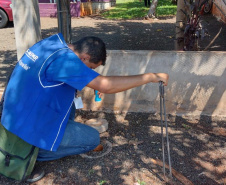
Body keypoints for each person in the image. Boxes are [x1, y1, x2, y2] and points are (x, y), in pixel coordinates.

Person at [1, 34, 169, 182]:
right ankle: (34, 153)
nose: (89, 72)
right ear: (85, 57)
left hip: (15, 114)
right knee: (92, 139)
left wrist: (91, 79)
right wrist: (150, 77)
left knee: (71, 102)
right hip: (26, 126)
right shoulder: (65, 62)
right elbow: (107, 86)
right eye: (90, 69)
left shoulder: (51, 44)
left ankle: (42, 142)